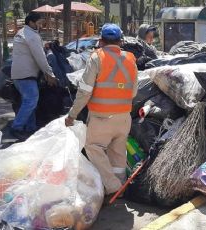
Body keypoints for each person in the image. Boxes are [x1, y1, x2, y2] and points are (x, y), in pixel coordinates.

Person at [65, 24, 138, 196]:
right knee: (118, 154)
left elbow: (84, 91)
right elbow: (134, 91)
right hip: (124, 117)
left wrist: (72, 115)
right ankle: (120, 186)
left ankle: (113, 186)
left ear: (101, 40)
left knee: (93, 147)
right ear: (121, 41)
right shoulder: (130, 58)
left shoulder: (97, 57)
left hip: (101, 117)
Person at [11, 12, 57, 140]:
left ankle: (31, 128)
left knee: (29, 102)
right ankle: (16, 127)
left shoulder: (21, 33)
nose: (41, 25)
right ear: (31, 22)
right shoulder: (31, 35)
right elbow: (40, 57)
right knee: (31, 100)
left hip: (18, 74)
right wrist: (50, 73)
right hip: (26, 74)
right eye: (39, 23)